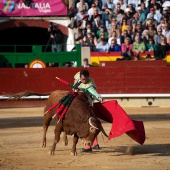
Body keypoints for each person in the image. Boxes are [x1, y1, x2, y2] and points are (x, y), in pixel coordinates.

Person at [73, 70, 103, 152]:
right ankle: (94, 144)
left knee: (88, 124)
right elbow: (74, 89)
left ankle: (89, 145)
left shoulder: (89, 84)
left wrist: (99, 97)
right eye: (82, 79)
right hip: (77, 103)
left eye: (85, 79)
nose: (84, 81)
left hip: (86, 104)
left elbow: (93, 92)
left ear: (88, 78)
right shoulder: (77, 78)